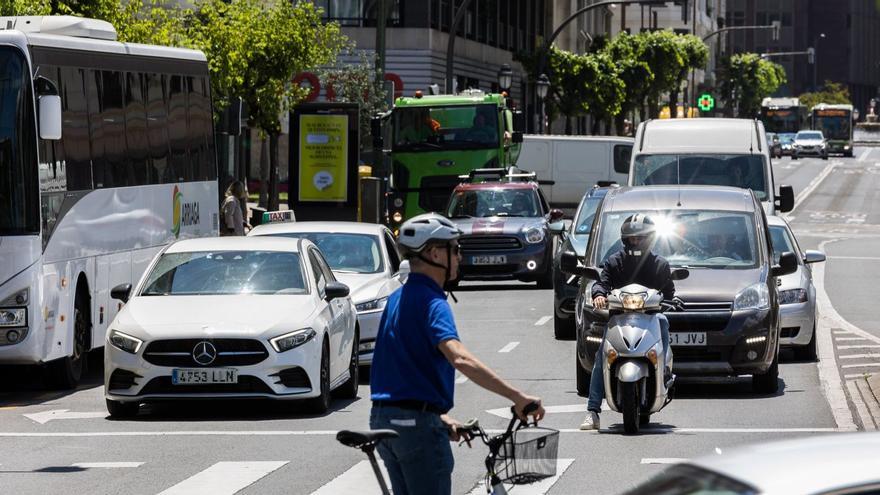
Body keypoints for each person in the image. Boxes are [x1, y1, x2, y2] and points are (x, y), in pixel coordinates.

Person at [370, 213, 545, 495]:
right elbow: (460, 358)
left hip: (384, 420)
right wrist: (518, 397)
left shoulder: (396, 298)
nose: (460, 257)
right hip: (414, 427)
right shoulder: (433, 302)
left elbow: (399, 371)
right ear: (435, 253)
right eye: (455, 249)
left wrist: (438, 419)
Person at [580, 214, 675, 430]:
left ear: (650, 239)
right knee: (601, 357)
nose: (636, 242)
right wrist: (598, 295)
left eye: (641, 238)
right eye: (632, 238)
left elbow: (669, 291)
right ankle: (593, 412)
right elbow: (601, 283)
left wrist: (670, 299)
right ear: (625, 239)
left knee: (664, 321)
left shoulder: (660, 264)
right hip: (618, 317)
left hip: (651, 317)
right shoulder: (614, 261)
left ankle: (665, 370)